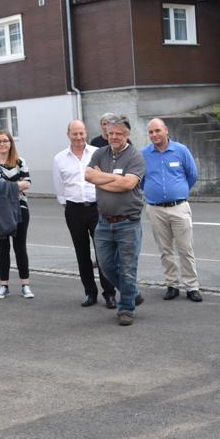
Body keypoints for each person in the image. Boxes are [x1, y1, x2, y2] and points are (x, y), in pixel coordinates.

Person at [86, 115, 145, 326]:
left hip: (128, 222)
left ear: (126, 135)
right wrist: (112, 179)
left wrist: (102, 180)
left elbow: (128, 184)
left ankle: (126, 308)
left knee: (128, 268)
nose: (114, 137)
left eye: (118, 133)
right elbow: (88, 176)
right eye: (110, 133)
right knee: (106, 265)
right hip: (103, 222)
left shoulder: (135, 157)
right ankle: (133, 292)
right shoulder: (100, 153)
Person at [52, 120, 116, 307]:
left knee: (103, 253)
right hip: (74, 210)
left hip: (97, 208)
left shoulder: (98, 153)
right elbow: (59, 187)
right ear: (68, 134)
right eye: (75, 134)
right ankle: (90, 292)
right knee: (82, 254)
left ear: (86, 133)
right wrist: (68, 206)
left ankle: (109, 293)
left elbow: (106, 179)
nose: (78, 137)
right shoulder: (59, 158)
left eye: (81, 133)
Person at [142, 118, 201, 301]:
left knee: (185, 249)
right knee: (165, 249)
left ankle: (192, 286)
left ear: (166, 130)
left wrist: (179, 191)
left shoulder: (180, 150)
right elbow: (141, 180)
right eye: (151, 132)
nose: (154, 135)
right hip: (155, 209)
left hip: (179, 207)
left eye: (157, 131)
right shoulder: (143, 154)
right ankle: (172, 284)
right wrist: (154, 191)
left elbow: (192, 175)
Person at [0, 130, 33, 299]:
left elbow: (27, 183)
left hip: (20, 209)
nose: (2, 144)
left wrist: (0, 187)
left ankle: (25, 285)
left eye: (5, 141)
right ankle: (4, 286)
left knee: (20, 247)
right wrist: (13, 186)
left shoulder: (20, 162)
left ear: (11, 143)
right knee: (3, 249)